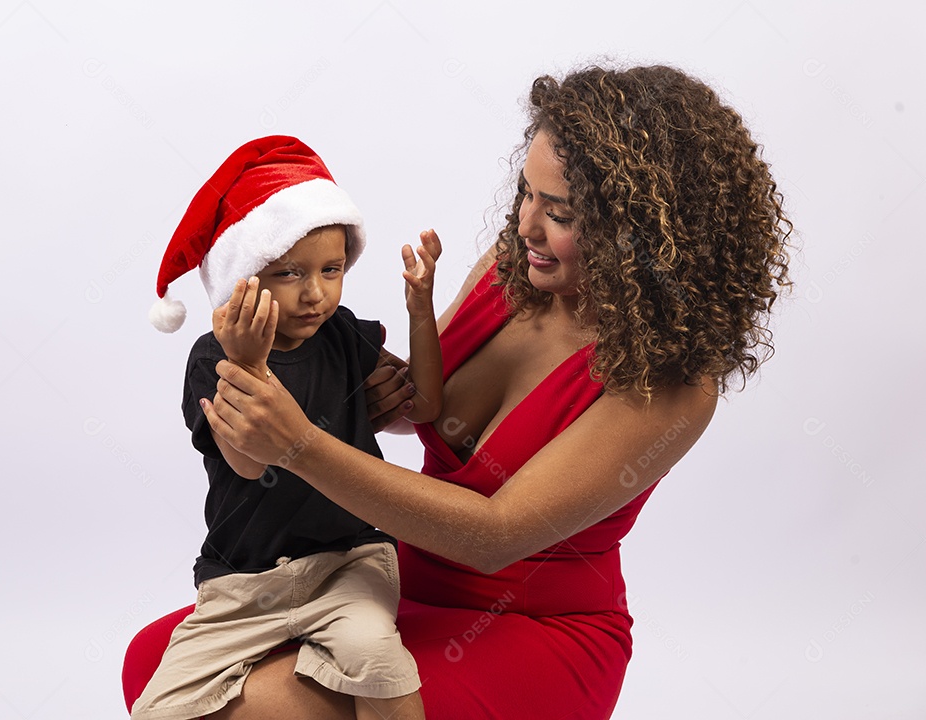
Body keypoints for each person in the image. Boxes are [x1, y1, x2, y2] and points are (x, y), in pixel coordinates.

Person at [123, 65, 793, 719]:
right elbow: (419, 405)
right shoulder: (509, 274)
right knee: (153, 659)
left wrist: (299, 443)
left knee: (260, 705)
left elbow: (495, 536)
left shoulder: (672, 383)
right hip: (390, 572)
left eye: (558, 211)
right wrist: (347, 379)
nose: (525, 226)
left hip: (537, 626)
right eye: (527, 193)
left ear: (640, 234)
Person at [132, 135, 443, 720]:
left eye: (331, 269)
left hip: (348, 563)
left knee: (377, 661)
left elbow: (423, 405)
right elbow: (251, 460)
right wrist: (247, 362)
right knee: (159, 709)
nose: (315, 293)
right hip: (241, 585)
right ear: (243, 277)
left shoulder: (342, 335)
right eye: (288, 273)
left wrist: (419, 306)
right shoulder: (211, 358)